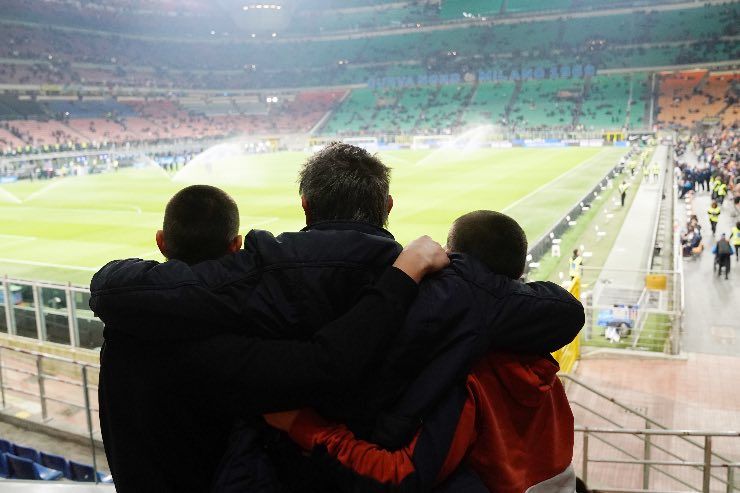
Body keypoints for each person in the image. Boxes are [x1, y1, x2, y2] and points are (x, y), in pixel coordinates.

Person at [91, 144, 584, 492]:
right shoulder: (451, 288)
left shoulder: (252, 273)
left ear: (304, 205)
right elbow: (562, 313)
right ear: (388, 207)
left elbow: (115, 291)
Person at [93, 184, 450, 493]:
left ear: (160, 242)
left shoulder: (123, 325)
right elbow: (327, 363)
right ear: (235, 245)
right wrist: (404, 274)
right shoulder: (226, 350)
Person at [264, 211, 578, 492]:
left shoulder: (470, 375)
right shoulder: (546, 370)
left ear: (451, 258)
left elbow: (401, 475)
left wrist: (304, 427)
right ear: (520, 272)